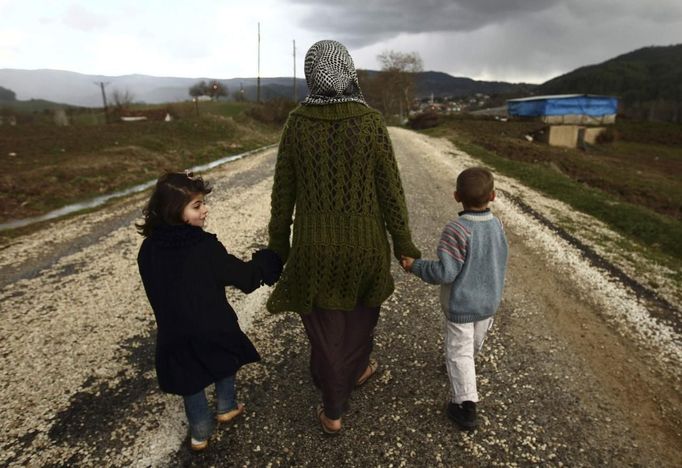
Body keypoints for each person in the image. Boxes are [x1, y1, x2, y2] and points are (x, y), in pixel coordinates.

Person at [266, 39, 421, 434]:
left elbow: (283, 193)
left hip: (313, 248)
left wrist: (278, 247)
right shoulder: (370, 122)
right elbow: (391, 192)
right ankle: (346, 382)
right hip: (366, 246)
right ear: (349, 71)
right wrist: (403, 245)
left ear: (310, 75)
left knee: (324, 328)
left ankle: (333, 404)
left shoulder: (297, 123)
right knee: (360, 319)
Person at [136, 171, 282, 451]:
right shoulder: (203, 246)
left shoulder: (148, 249)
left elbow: (154, 289)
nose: (205, 210)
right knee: (223, 360)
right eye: (197, 205)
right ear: (174, 211)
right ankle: (226, 407)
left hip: (173, 331)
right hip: (213, 324)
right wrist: (267, 261)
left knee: (189, 378)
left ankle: (200, 433)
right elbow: (244, 277)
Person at [401, 167, 508, 431]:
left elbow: (445, 272)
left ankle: (465, 405)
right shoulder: (497, 225)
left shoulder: (457, 229)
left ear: (456, 196)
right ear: (493, 196)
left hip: (462, 305)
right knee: (470, 346)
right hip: (488, 303)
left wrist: (415, 266)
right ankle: (461, 371)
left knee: (459, 352)